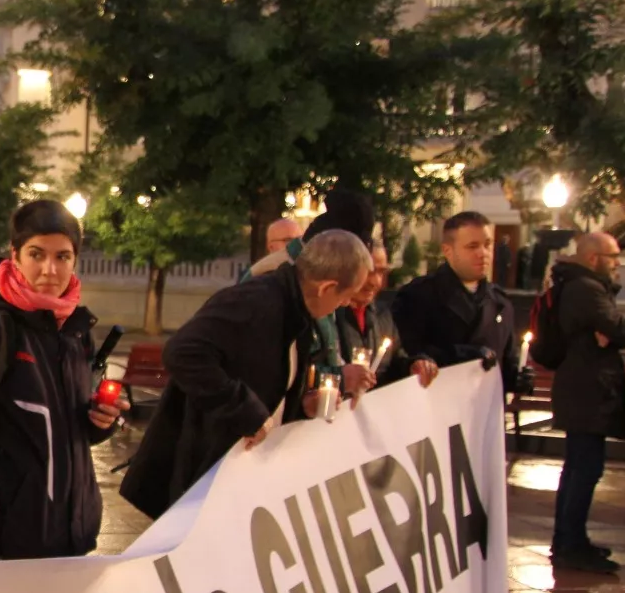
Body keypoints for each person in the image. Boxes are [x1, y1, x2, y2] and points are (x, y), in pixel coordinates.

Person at [121, 231, 372, 520]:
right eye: (346, 297)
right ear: (326, 287)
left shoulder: (298, 314)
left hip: (239, 478)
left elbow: (268, 381)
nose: (343, 306)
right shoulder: (254, 301)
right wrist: (245, 412)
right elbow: (182, 352)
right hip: (200, 475)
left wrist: (302, 405)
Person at [0, 200, 125, 561]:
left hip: (73, 540)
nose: (50, 269)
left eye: (63, 256)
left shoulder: (74, 329)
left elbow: (66, 431)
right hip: (8, 547)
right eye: (37, 254)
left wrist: (102, 421)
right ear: (14, 255)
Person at [546, 232, 625, 573]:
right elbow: (620, 330)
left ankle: (570, 539)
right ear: (594, 258)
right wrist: (610, 331)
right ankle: (570, 544)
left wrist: (608, 332)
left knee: (581, 468)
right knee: (584, 469)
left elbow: (611, 331)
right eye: (613, 256)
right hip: (585, 391)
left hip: (585, 388)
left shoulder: (587, 287)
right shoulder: (586, 288)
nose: (618, 262)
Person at [246, 188, 379, 397]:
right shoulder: (271, 280)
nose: (345, 303)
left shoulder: (316, 274)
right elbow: (262, 367)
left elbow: (325, 348)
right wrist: (338, 378)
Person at [392, 211, 525, 398]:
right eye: (472, 246)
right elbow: (405, 355)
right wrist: (463, 354)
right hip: (438, 407)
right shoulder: (419, 296)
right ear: (448, 251)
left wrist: (518, 378)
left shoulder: (499, 302)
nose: (483, 253)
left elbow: (506, 361)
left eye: (487, 245)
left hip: (483, 414)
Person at [336, 243, 440, 393]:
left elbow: (394, 360)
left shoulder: (382, 314)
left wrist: (413, 365)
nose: (375, 282)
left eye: (381, 272)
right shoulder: (328, 315)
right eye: (369, 271)